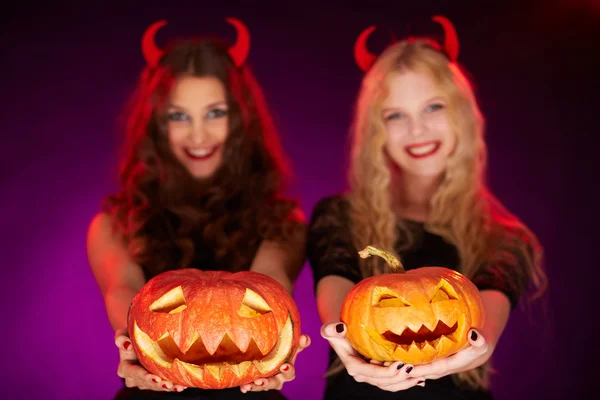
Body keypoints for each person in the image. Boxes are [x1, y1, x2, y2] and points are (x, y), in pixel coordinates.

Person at [307, 16, 547, 399]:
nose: (417, 130)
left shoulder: (505, 238)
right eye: (395, 115)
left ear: (462, 115)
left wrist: (473, 349)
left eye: (433, 107)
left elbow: (482, 331)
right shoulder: (340, 216)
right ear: (376, 131)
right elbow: (338, 298)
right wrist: (348, 345)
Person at [87, 18, 310, 399]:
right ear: (157, 125)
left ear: (240, 121)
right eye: (178, 116)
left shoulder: (282, 220)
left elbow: (270, 285)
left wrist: (275, 347)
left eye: (215, 113)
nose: (198, 135)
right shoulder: (113, 223)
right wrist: (132, 343)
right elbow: (123, 288)